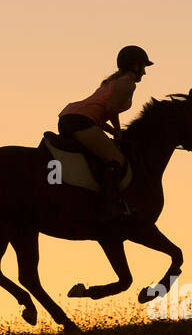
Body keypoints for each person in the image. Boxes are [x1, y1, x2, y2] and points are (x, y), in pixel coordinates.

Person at [56, 45, 154, 219]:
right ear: (134, 66)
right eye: (143, 67)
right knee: (116, 159)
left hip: (69, 117)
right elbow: (111, 108)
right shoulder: (128, 83)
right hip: (80, 121)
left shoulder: (113, 81)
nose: (144, 72)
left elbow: (105, 112)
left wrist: (113, 131)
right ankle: (110, 205)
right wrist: (116, 130)